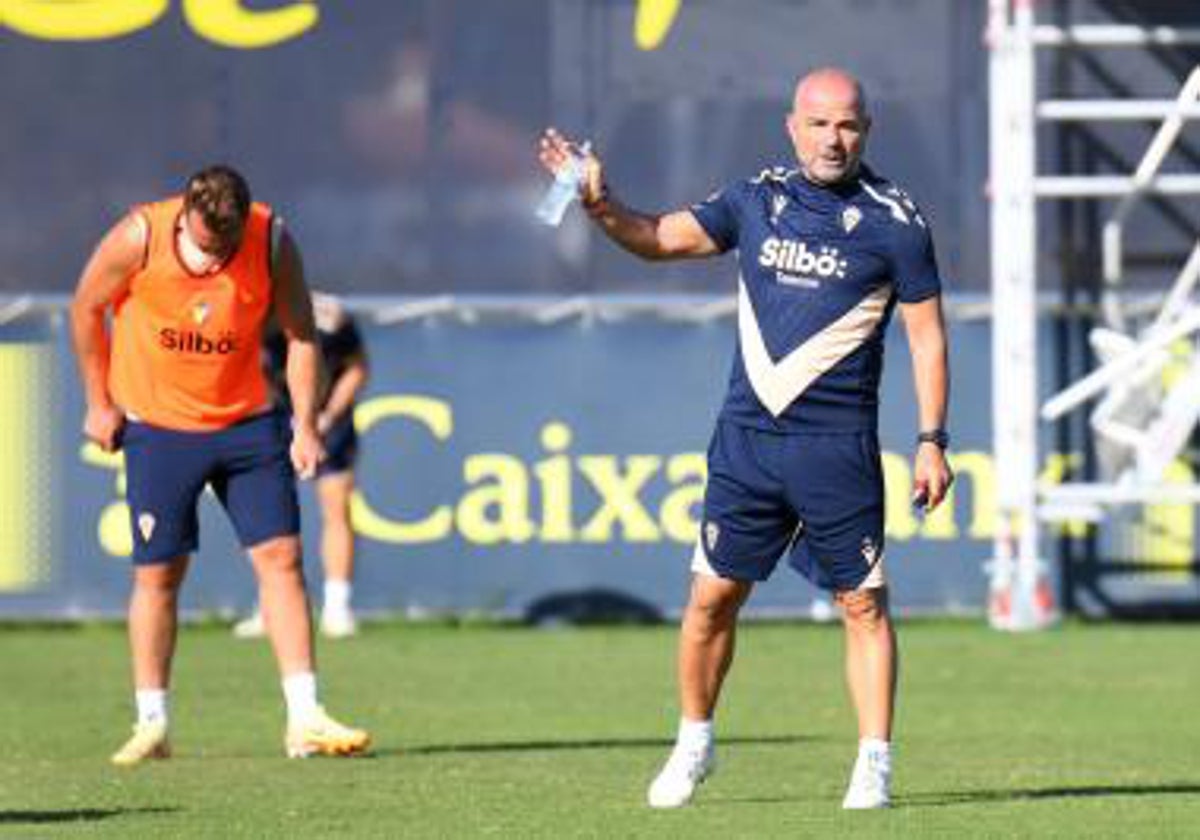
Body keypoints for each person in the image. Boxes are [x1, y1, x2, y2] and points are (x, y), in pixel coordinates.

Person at [537, 67, 953, 810]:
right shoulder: (754, 200)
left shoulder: (897, 221)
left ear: (868, 131)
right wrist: (598, 202)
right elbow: (659, 239)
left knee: (863, 605)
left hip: (837, 448)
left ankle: (873, 764)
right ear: (793, 127)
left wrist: (931, 438)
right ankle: (695, 742)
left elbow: (926, 337)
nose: (834, 138)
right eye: (819, 123)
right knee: (711, 600)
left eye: (849, 124)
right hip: (748, 445)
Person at [70, 164, 371, 765]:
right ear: (186, 217)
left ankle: (304, 716)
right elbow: (86, 308)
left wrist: (305, 425)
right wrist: (99, 402)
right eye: (208, 247)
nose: (214, 261)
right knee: (159, 576)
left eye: (226, 249)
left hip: (247, 423)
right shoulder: (140, 236)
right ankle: (152, 721)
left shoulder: (272, 241)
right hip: (158, 428)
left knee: (282, 560)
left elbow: (302, 334)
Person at [234, 291, 369, 640]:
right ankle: (271, 606)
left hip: (327, 421)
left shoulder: (330, 317)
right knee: (268, 517)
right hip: (276, 419)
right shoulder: (248, 311)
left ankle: (338, 606)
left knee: (336, 506)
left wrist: (325, 417)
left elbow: (357, 368)